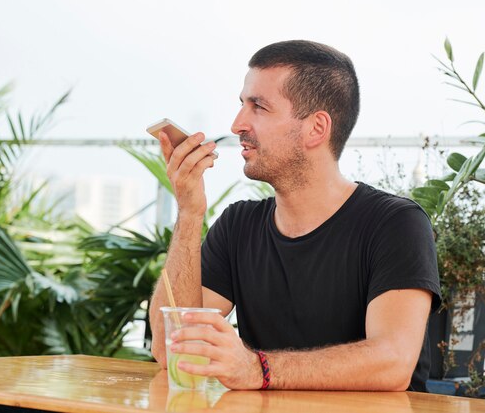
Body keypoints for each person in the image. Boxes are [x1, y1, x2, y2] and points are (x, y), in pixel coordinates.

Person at [149, 40, 441, 392]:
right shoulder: (238, 226)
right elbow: (171, 351)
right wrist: (190, 213)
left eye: (258, 106)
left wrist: (258, 369)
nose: (237, 124)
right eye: (242, 104)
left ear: (316, 128)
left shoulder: (395, 224)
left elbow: (393, 362)